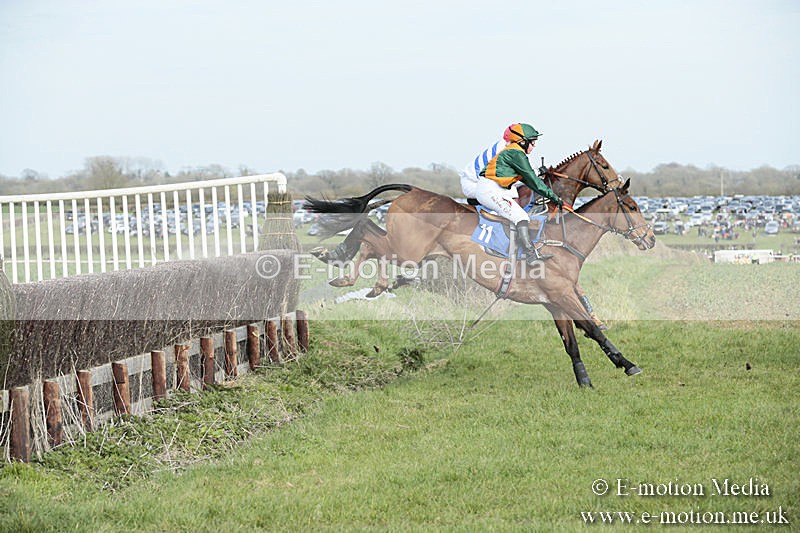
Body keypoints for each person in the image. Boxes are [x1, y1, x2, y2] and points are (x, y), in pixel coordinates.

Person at [475, 123, 567, 263]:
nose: (534, 145)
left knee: (522, 216)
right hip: (489, 190)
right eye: (532, 142)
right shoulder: (516, 154)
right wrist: (555, 198)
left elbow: (530, 180)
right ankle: (529, 256)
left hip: (498, 189)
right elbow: (534, 181)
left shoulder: (515, 152)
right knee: (521, 217)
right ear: (522, 141)